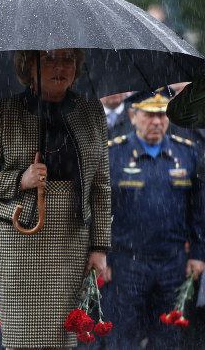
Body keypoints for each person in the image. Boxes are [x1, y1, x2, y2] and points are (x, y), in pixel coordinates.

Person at [0, 49, 111, 350]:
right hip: (19, 241)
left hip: (71, 239)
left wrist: (99, 248)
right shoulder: (4, 109)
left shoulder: (91, 110)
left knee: (62, 337)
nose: (60, 67)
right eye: (48, 59)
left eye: (68, 59)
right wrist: (20, 179)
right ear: (28, 66)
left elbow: (101, 186)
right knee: (23, 338)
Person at [106, 89, 205, 349]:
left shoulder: (187, 152)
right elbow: (100, 210)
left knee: (168, 336)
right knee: (124, 335)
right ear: (133, 116)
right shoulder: (113, 154)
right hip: (127, 261)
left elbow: (198, 209)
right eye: (149, 115)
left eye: (162, 115)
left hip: (173, 261)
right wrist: (102, 255)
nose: (157, 121)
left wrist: (198, 253)